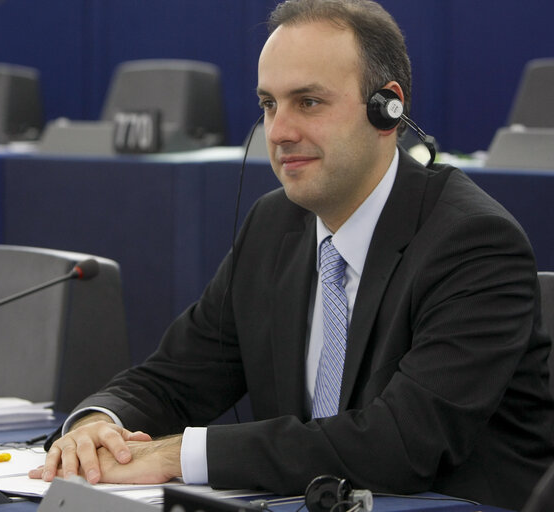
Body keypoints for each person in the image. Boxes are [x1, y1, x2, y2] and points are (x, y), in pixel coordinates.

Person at [29, 0, 554, 509]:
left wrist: (179, 454)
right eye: (268, 104)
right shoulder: (273, 225)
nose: (278, 132)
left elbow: (401, 444)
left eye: (308, 102)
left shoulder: (474, 242)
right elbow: (176, 377)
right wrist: (99, 425)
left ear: (386, 109)